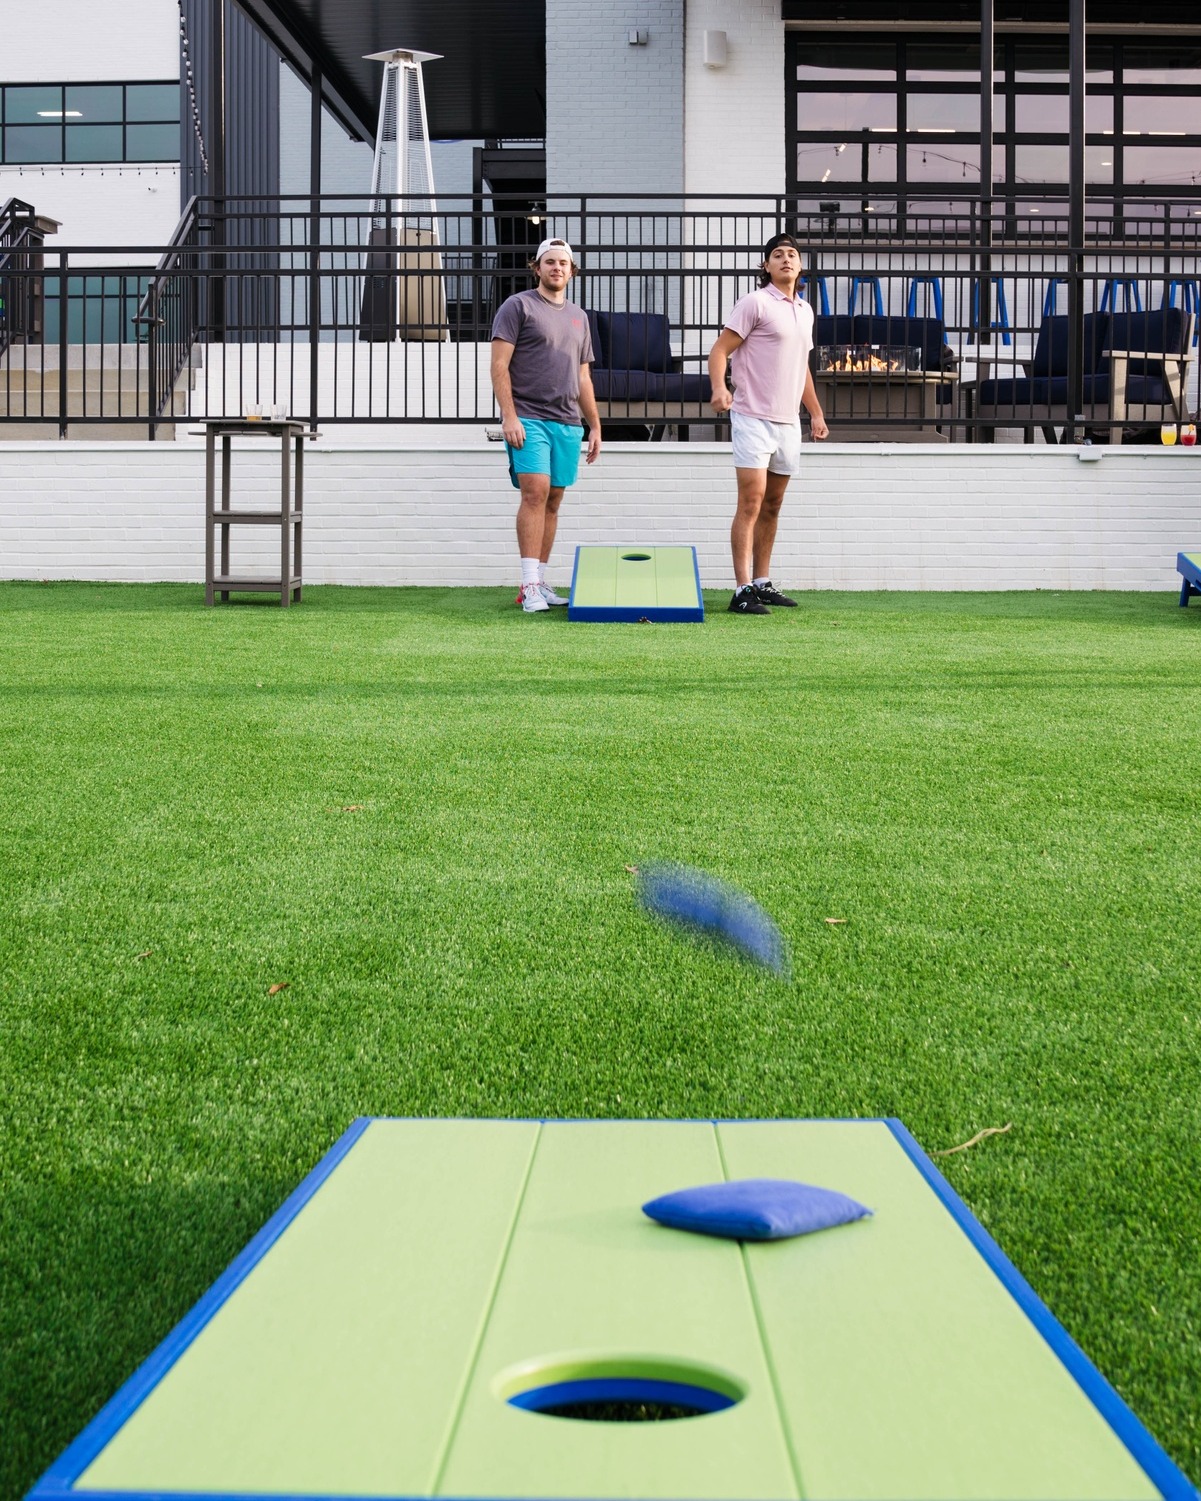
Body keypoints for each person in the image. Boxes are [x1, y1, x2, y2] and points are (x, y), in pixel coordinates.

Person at [708, 231, 829, 615]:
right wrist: (719, 389)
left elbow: (802, 366)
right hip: (751, 417)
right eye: (778, 255)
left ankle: (762, 583)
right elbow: (720, 350)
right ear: (766, 265)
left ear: (800, 265)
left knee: (773, 505)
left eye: (792, 254)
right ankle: (741, 589)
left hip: (788, 422)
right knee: (752, 502)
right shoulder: (755, 303)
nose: (786, 259)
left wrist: (816, 412)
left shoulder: (805, 310)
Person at [490, 238, 602, 613]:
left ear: (572, 271)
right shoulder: (518, 306)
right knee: (534, 494)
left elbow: (584, 377)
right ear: (536, 268)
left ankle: (540, 577)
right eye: (549, 262)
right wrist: (509, 415)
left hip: (568, 422)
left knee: (553, 501)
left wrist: (596, 426)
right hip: (528, 417)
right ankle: (528, 586)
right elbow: (499, 365)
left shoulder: (579, 317)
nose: (557, 268)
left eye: (563, 263)